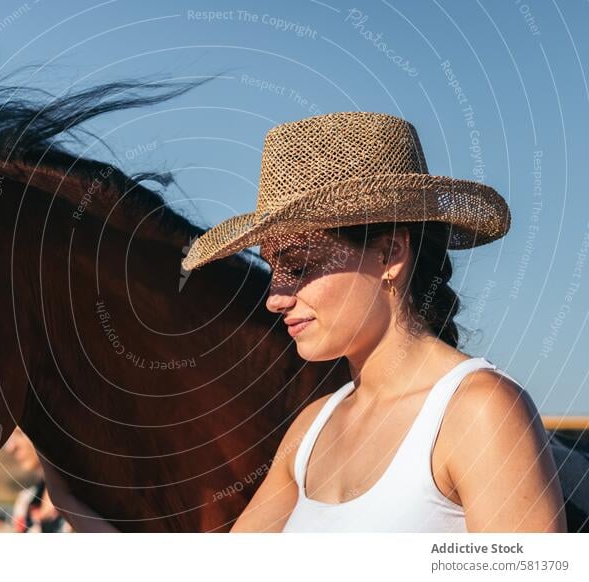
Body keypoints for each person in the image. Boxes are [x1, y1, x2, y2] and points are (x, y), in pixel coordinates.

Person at [181, 112, 567, 532]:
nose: (275, 297)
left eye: (298, 264)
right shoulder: (311, 428)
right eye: (272, 267)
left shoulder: (479, 412)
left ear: (391, 255)